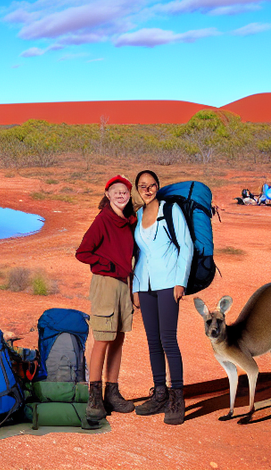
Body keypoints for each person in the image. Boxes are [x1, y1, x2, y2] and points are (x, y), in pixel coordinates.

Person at [130, 169, 191, 425]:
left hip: (168, 283)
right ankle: (159, 394)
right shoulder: (138, 215)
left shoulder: (170, 210)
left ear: (158, 186)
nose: (147, 189)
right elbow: (137, 254)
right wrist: (135, 287)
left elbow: (186, 246)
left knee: (168, 340)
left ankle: (177, 399)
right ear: (137, 188)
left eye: (151, 185)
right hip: (144, 285)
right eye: (142, 186)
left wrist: (180, 282)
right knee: (153, 342)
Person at [75, 174, 137, 423]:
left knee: (118, 338)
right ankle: (94, 397)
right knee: (102, 339)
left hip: (124, 284)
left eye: (125, 192)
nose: (121, 195)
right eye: (116, 191)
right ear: (108, 195)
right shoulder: (102, 220)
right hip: (106, 283)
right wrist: (107, 266)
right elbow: (83, 252)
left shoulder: (129, 220)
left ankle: (112, 392)